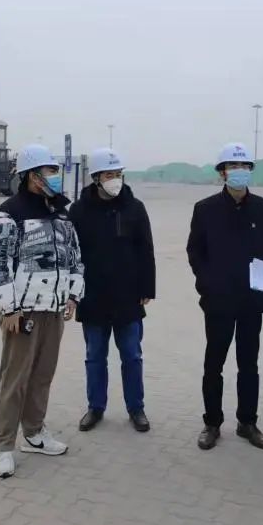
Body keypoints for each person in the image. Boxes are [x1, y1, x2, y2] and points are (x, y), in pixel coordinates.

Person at [0, 144, 84, 479]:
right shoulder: (7, 214)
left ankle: (35, 433)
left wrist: (73, 295)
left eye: (56, 171)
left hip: (54, 309)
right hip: (22, 312)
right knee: (15, 378)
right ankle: (3, 446)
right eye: (49, 171)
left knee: (42, 375)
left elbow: (74, 257)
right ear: (31, 176)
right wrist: (8, 308)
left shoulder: (62, 213)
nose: (54, 176)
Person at [187, 142, 263, 451]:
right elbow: (195, 251)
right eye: (234, 167)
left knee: (249, 364)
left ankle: (247, 422)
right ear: (222, 173)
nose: (240, 172)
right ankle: (212, 422)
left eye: (245, 167)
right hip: (218, 302)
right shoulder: (205, 209)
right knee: (214, 363)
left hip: (251, 301)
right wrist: (207, 285)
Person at [69, 147, 156, 433]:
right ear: (96, 178)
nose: (115, 179)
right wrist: (73, 292)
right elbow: (72, 254)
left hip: (128, 296)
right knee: (95, 356)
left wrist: (147, 287)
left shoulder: (135, 208)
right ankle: (95, 407)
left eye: (118, 174)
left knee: (132, 355)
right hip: (92, 296)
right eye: (109, 174)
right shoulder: (79, 211)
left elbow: (146, 249)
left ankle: (136, 408)